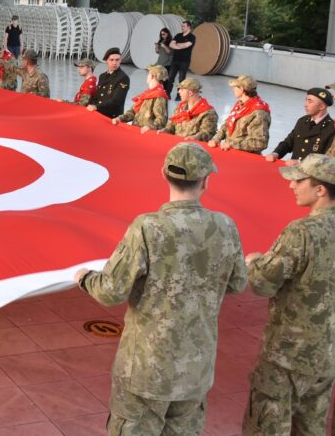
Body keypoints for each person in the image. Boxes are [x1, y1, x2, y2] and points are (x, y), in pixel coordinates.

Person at [74, 143, 247, 435]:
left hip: (145, 368)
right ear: (206, 181)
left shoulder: (148, 227)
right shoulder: (225, 226)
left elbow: (111, 291)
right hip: (195, 367)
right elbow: (238, 283)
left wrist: (84, 277)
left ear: (164, 175)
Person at [242, 155, 335, 436]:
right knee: (311, 426)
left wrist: (254, 262)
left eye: (299, 180)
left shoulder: (303, 232)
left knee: (265, 425)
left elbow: (263, 283)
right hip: (334, 354)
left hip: (289, 355)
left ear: (320, 189)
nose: (292, 186)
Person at [266, 88, 335, 163]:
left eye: (310, 101)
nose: (305, 105)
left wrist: (300, 162)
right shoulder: (302, 121)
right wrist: (276, 153)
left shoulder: (331, 128)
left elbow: (327, 159)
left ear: (321, 107)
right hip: (293, 171)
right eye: (306, 100)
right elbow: (288, 143)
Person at [209, 75, 271, 153]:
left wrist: (232, 144)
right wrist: (217, 138)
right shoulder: (240, 105)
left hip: (244, 158)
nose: (233, 89)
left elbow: (260, 142)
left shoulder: (259, 112)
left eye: (235, 87)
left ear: (242, 89)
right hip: (229, 152)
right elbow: (228, 124)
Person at [153, 77, 218, 140]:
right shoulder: (181, 108)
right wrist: (166, 130)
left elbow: (208, 133)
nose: (179, 92)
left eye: (182, 89)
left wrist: (196, 137)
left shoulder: (208, 112)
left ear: (190, 93)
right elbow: (172, 125)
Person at [113, 65, 168, 130]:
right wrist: (120, 118)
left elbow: (162, 119)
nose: (147, 76)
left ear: (152, 76)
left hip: (146, 136)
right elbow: (133, 111)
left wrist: (150, 127)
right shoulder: (148, 93)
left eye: (149, 74)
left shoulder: (159, 96)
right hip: (136, 131)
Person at [86, 48, 130, 118]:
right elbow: (97, 96)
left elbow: (116, 100)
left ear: (120, 60)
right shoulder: (102, 76)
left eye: (117, 60)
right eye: (111, 60)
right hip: (99, 112)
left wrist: (96, 106)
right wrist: (89, 104)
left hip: (111, 116)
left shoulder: (123, 78)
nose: (114, 63)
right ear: (107, 60)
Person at [167, 20, 196, 101]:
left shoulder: (192, 37)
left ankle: (179, 95)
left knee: (181, 79)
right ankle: (167, 94)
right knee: (170, 77)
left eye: (184, 26)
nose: (182, 27)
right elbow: (171, 44)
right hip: (175, 60)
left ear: (189, 27)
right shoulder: (178, 35)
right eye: (182, 26)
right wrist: (180, 45)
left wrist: (177, 44)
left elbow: (186, 45)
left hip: (184, 61)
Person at [155, 27, 174, 94]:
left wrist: (164, 46)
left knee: (166, 80)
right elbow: (158, 52)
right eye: (161, 34)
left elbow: (169, 52)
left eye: (164, 34)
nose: (162, 36)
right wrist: (157, 47)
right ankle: (159, 92)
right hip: (160, 63)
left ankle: (166, 93)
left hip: (167, 64)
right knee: (158, 79)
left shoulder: (171, 42)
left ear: (168, 34)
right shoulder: (161, 41)